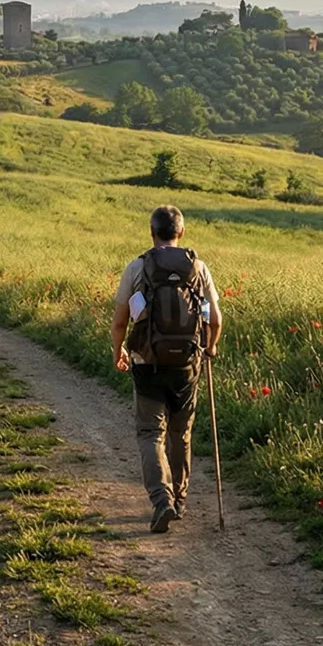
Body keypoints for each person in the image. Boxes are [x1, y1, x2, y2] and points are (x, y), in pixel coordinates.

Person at [110, 205, 222, 532]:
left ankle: (162, 501)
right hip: (187, 364)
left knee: (150, 432)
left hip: (146, 361)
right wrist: (210, 347)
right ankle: (180, 498)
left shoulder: (138, 267)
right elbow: (214, 319)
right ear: (181, 232)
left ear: (151, 232)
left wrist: (118, 351)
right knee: (180, 432)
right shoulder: (198, 268)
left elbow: (120, 321)